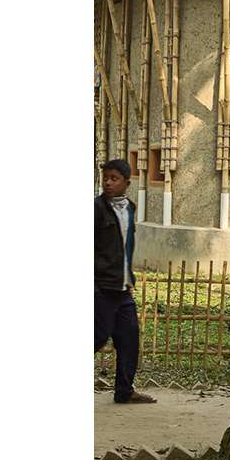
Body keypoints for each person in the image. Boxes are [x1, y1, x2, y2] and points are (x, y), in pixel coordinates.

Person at [94, 159, 156, 404]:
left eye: (114, 178)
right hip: (101, 287)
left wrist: (128, 278)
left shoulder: (129, 207)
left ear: (127, 183)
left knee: (129, 338)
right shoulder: (95, 209)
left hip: (122, 288)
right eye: (106, 178)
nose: (108, 183)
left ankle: (124, 391)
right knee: (97, 336)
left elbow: (126, 246)